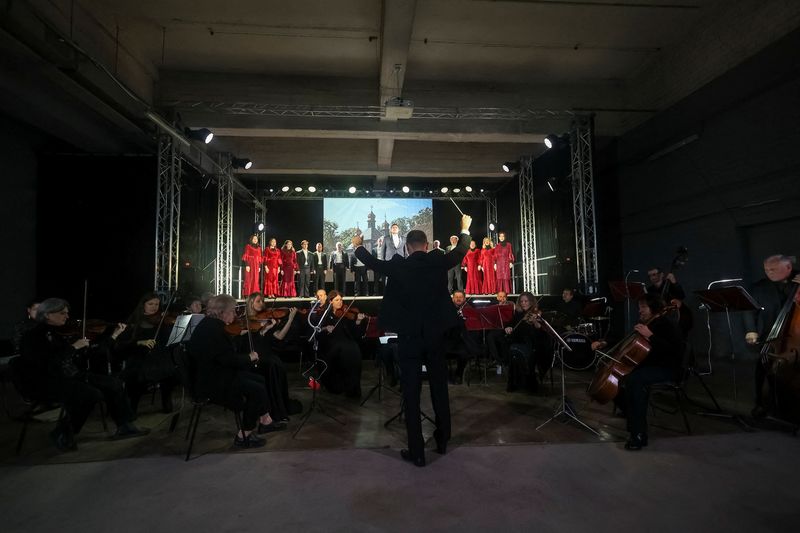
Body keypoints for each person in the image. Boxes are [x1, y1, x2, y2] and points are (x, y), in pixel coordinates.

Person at [354, 214, 472, 467]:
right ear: (427, 246)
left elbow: (371, 261)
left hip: (409, 338)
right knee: (439, 388)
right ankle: (442, 441)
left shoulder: (399, 266)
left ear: (407, 247)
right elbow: (461, 251)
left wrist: (357, 245)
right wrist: (464, 228)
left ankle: (417, 451)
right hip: (435, 337)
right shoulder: (438, 262)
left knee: (411, 392)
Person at [18, 298, 147, 451]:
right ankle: (63, 432)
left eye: (67, 313)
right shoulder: (32, 337)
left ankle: (124, 426)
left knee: (113, 383)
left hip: (71, 375)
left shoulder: (57, 333)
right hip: (47, 380)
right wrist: (73, 348)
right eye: (62, 313)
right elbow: (46, 363)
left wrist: (108, 338)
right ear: (47, 315)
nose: (67, 317)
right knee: (89, 394)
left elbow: (82, 355)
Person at [187, 294, 271, 448]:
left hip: (213, 374)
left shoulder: (209, 324)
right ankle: (244, 434)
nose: (235, 314)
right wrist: (249, 357)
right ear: (222, 312)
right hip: (212, 383)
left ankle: (265, 417)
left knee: (259, 380)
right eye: (232, 311)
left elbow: (223, 357)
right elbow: (229, 360)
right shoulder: (215, 330)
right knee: (257, 389)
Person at [618, 293, 685, 450]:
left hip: (669, 368)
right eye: (639, 307)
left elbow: (673, 351)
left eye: (643, 307)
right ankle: (634, 424)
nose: (640, 311)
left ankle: (639, 434)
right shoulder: (649, 323)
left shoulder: (665, 323)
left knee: (636, 380)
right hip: (653, 367)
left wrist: (650, 336)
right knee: (622, 379)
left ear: (653, 308)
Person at [743, 254, 800, 419]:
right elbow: (748, 309)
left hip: (796, 338)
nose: (769, 273)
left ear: (788, 267)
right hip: (772, 335)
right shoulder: (759, 287)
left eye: (773, 269)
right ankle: (760, 402)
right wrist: (751, 329)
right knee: (762, 367)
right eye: (766, 270)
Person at [114, 292, 178, 414]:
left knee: (172, 369)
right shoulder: (133, 322)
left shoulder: (161, 321)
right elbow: (120, 346)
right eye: (150, 304)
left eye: (157, 304)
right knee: (138, 374)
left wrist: (167, 326)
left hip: (158, 357)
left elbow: (168, 341)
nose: (154, 307)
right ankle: (132, 406)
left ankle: (166, 398)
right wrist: (139, 342)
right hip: (139, 356)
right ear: (143, 305)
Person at [311, 290, 365, 398]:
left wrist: (358, 321)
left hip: (346, 341)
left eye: (341, 300)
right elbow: (316, 334)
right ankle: (339, 384)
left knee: (354, 349)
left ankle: (352, 388)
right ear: (330, 301)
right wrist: (325, 328)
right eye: (337, 300)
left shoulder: (346, 314)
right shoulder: (324, 314)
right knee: (344, 349)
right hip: (330, 343)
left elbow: (355, 334)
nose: (340, 302)